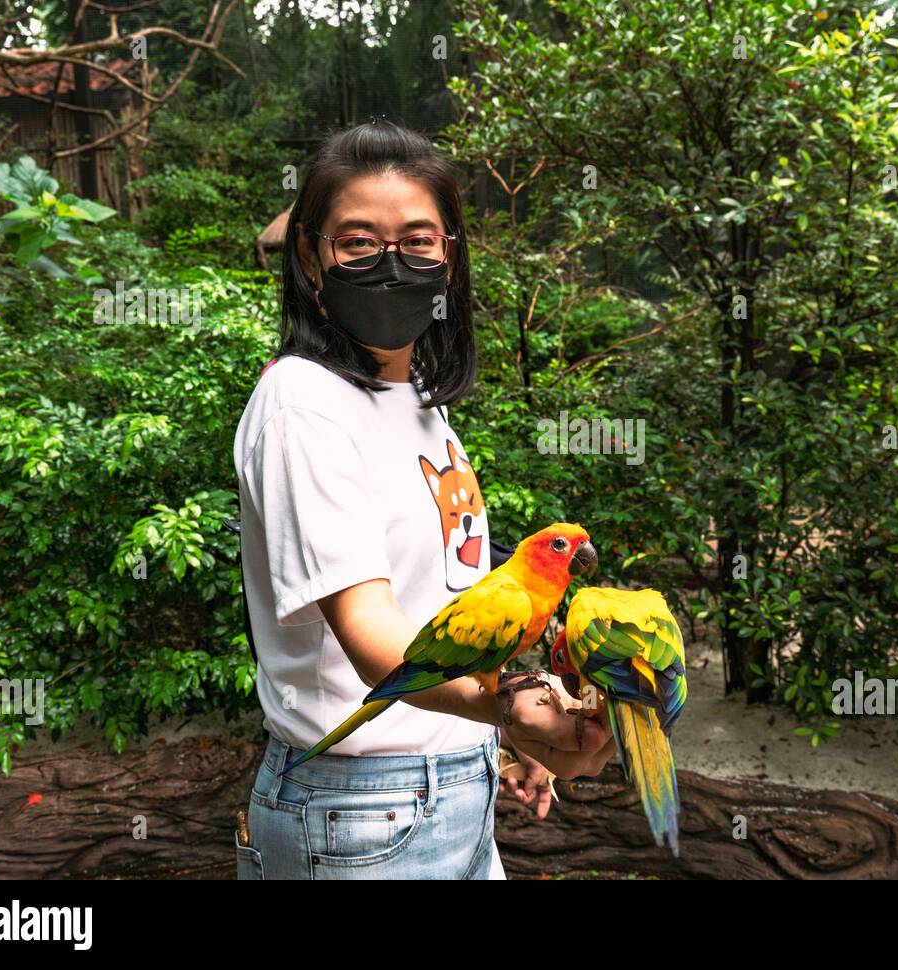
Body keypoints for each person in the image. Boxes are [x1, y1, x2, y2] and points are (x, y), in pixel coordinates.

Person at [232, 120, 615, 879]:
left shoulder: (414, 401)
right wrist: (509, 708)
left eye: (417, 240)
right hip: (360, 815)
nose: (389, 263)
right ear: (311, 256)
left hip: (449, 791)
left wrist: (500, 731)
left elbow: (450, 604)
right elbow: (373, 632)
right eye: (357, 242)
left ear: (448, 260)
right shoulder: (305, 406)